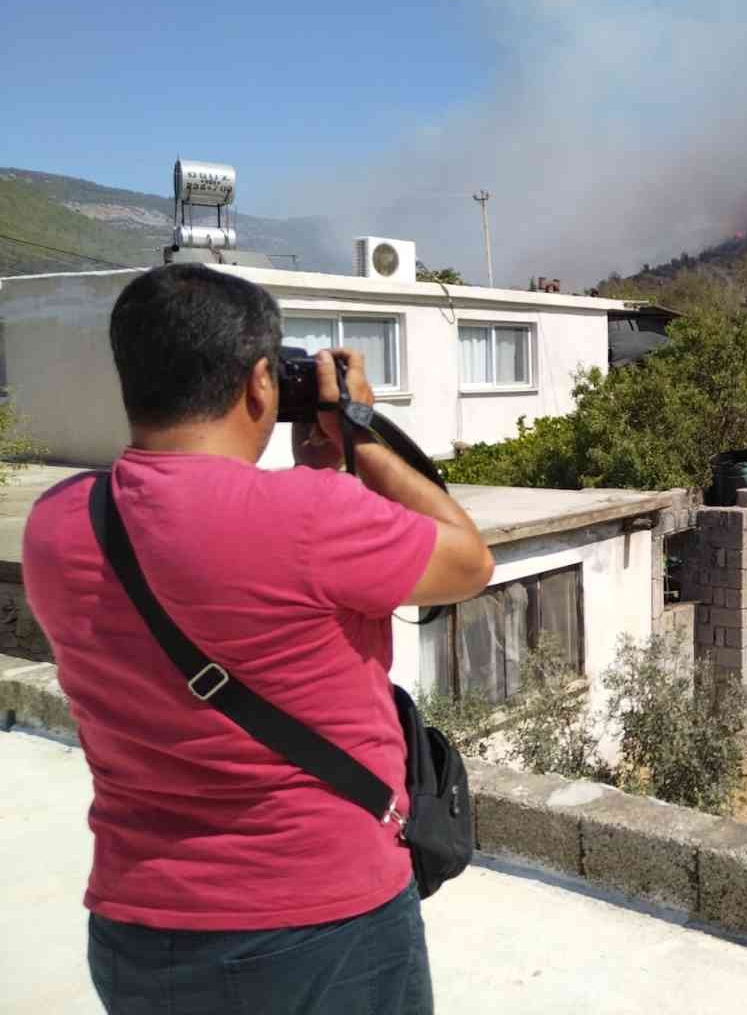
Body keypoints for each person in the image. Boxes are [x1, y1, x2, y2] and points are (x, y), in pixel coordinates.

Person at [22, 264, 494, 1014]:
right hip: (323, 925)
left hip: (139, 933)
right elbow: (469, 562)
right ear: (258, 386)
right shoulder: (314, 517)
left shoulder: (57, 523)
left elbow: (207, 552)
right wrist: (363, 439)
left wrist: (318, 473)